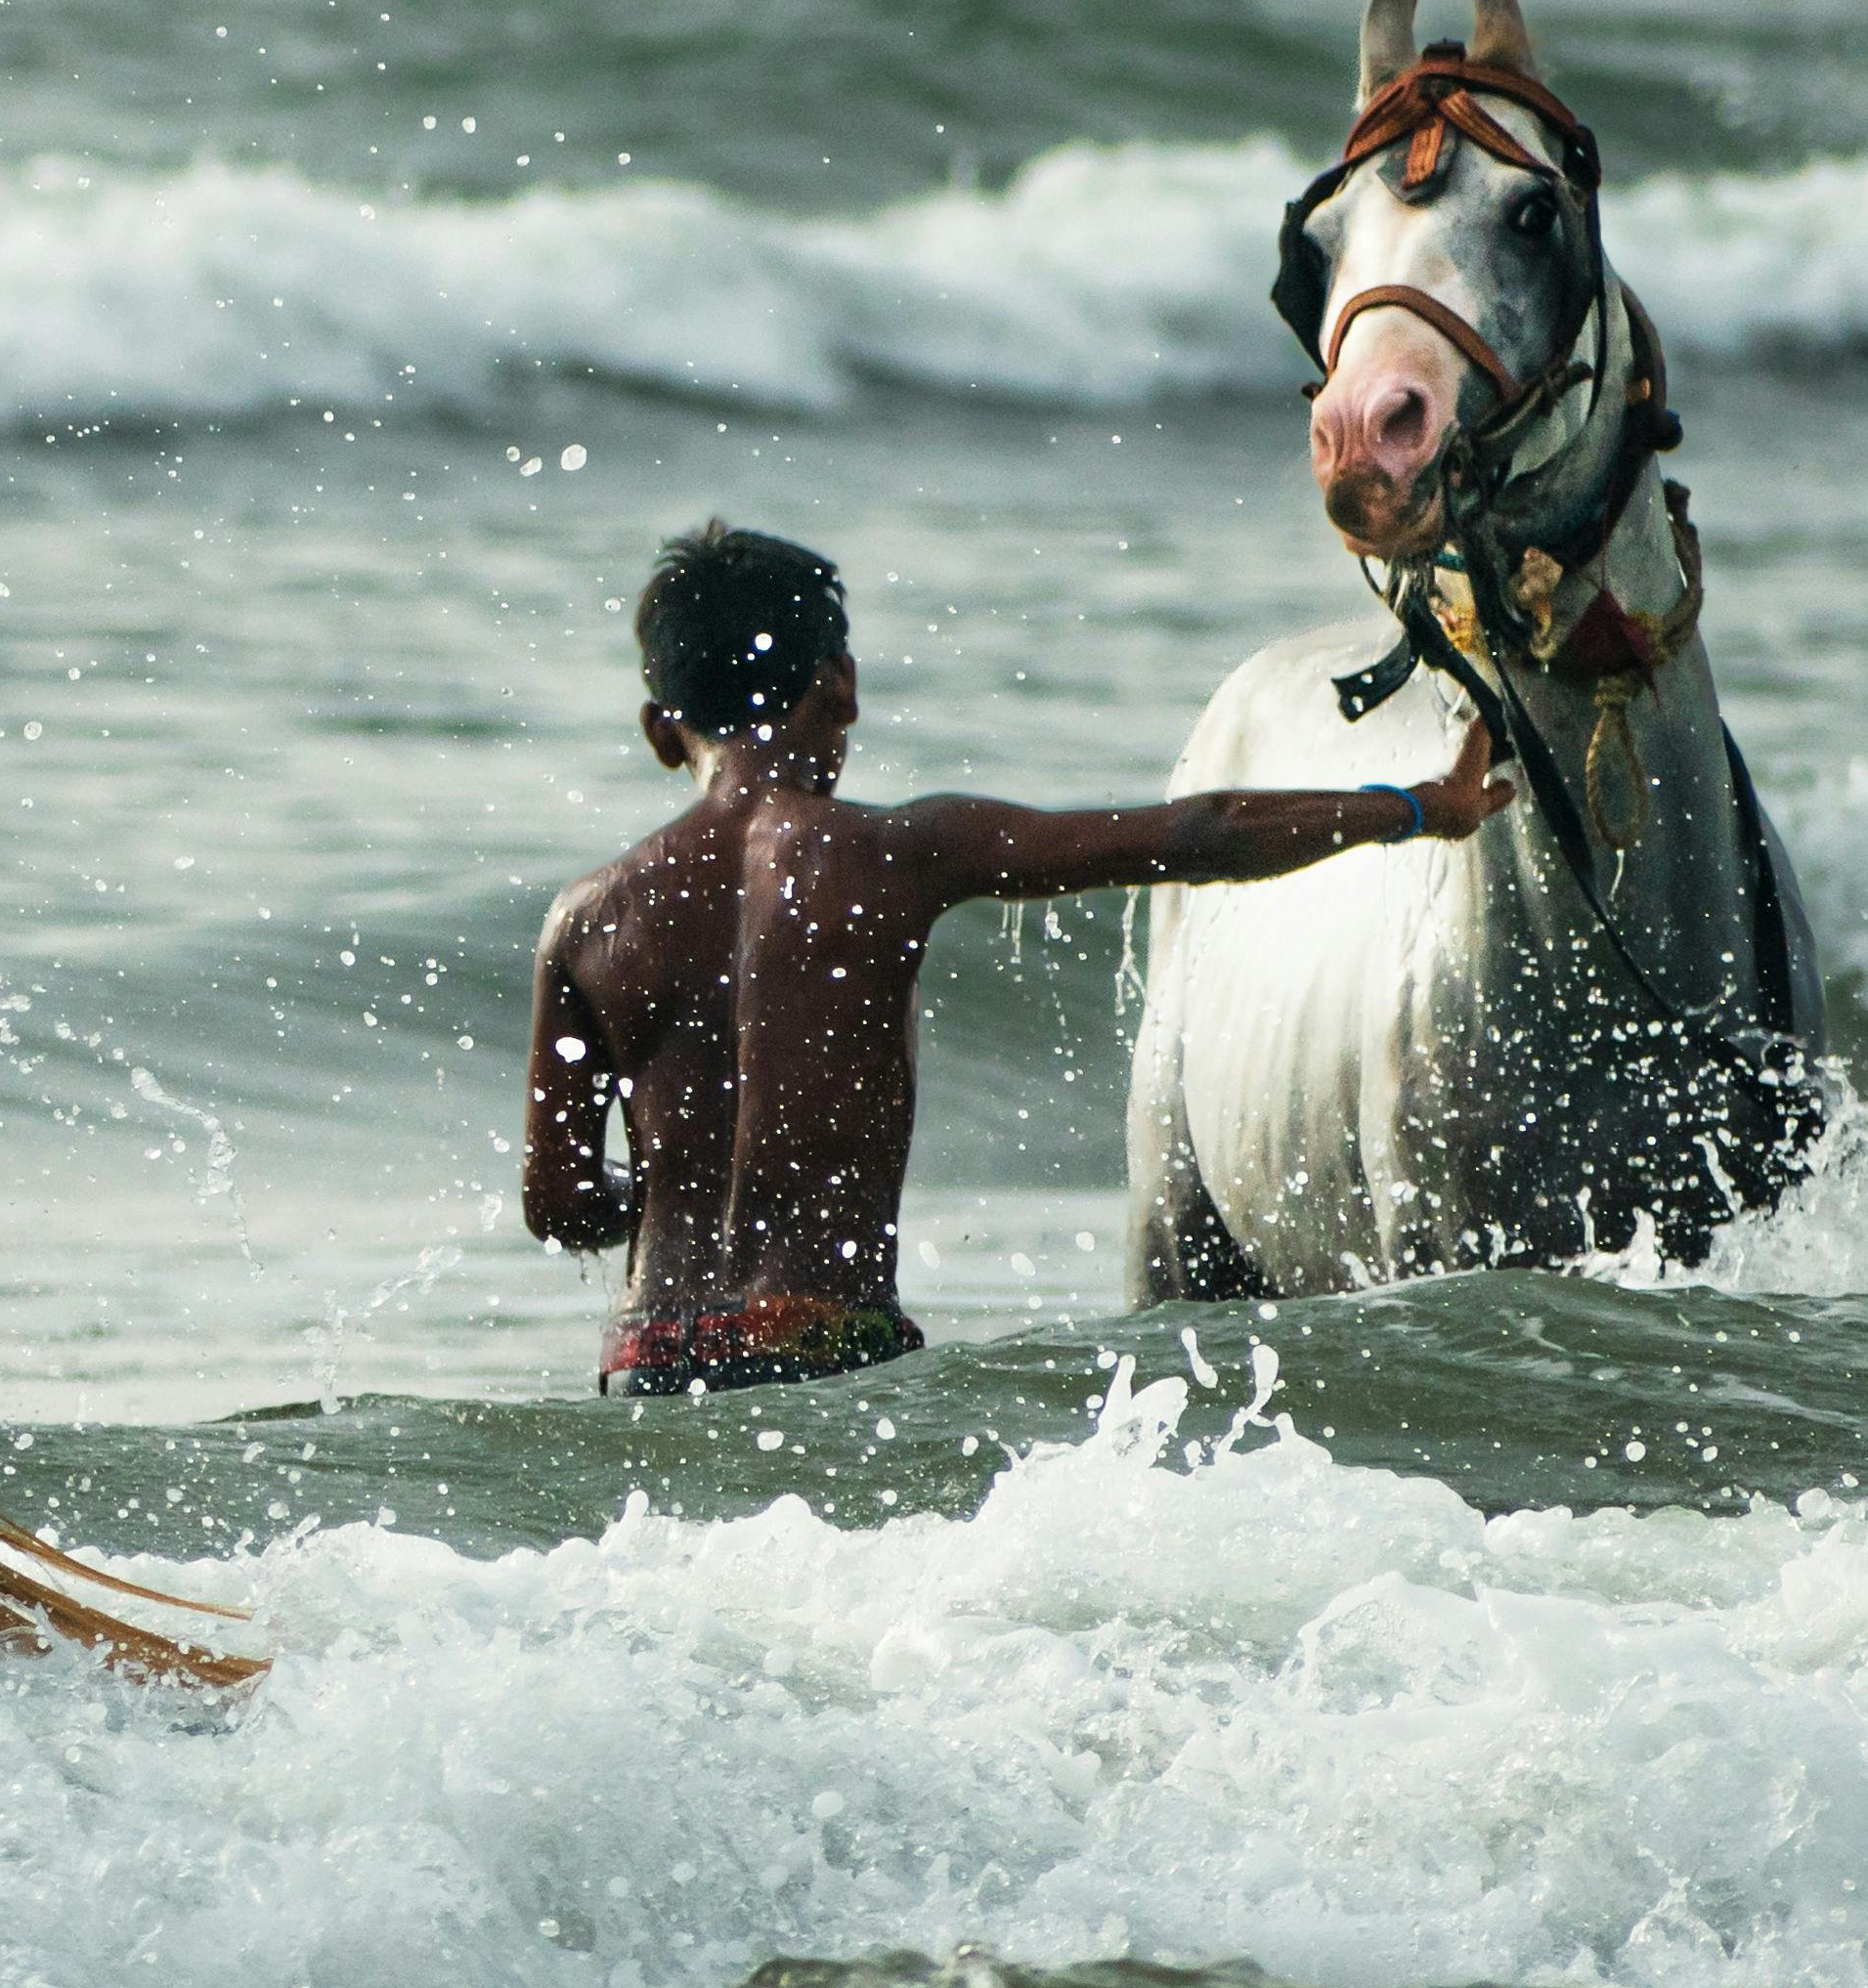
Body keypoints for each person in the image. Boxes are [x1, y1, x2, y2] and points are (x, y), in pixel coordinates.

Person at [523, 520, 1505, 1397]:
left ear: (661, 732)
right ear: (841, 685)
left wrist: (678, 1193)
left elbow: (559, 1204)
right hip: (823, 1348)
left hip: (648, 1359)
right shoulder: (893, 852)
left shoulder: (586, 919)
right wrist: (1419, 807)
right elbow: (1196, 832)